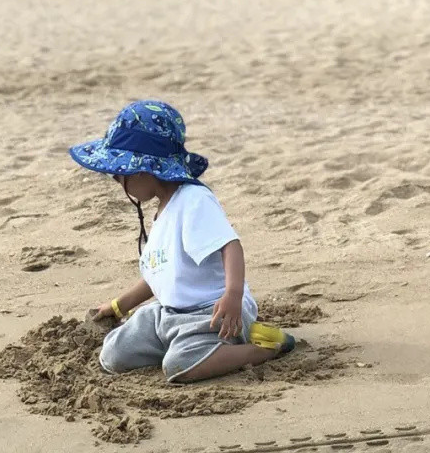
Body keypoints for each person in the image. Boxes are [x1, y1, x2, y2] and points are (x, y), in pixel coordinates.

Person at [69, 100, 295, 383]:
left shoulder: (193, 201)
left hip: (214, 313)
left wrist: (233, 296)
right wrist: (118, 306)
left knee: (179, 365)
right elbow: (160, 274)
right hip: (168, 314)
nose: (117, 181)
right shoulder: (163, 208)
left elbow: (230, 245)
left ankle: (262, 349)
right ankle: (188, 346)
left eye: (119, 175)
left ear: (144, 170)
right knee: (113, 354)